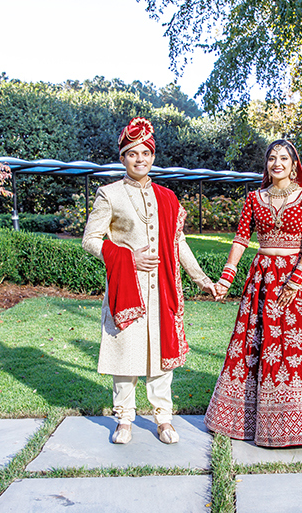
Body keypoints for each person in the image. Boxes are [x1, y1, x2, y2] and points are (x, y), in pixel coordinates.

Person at [204, 139, 302, 447]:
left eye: (283, 159)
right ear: (267, 164)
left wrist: (296, 280)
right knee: (257, 345)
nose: (277, 163)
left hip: (297, 279)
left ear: (294, 165)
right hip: (263, 278)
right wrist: (227, 276)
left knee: (298, 347)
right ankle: (250, 420)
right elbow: (240, 240)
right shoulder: (254, 198)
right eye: (271, 158)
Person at [82, 117, 217, 445]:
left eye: (145, 153)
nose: (139, 159)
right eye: (132, 153)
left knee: (160, 355)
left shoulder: (168, 198)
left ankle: (163, 418)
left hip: (161, 289)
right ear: (123, 158)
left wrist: (201, 279)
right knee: (125, 354)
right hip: (126, 288)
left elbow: (178, 242)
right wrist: (128, 257)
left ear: (153, 156)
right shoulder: (109, 194)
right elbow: (90, 239)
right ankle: (125, 419)